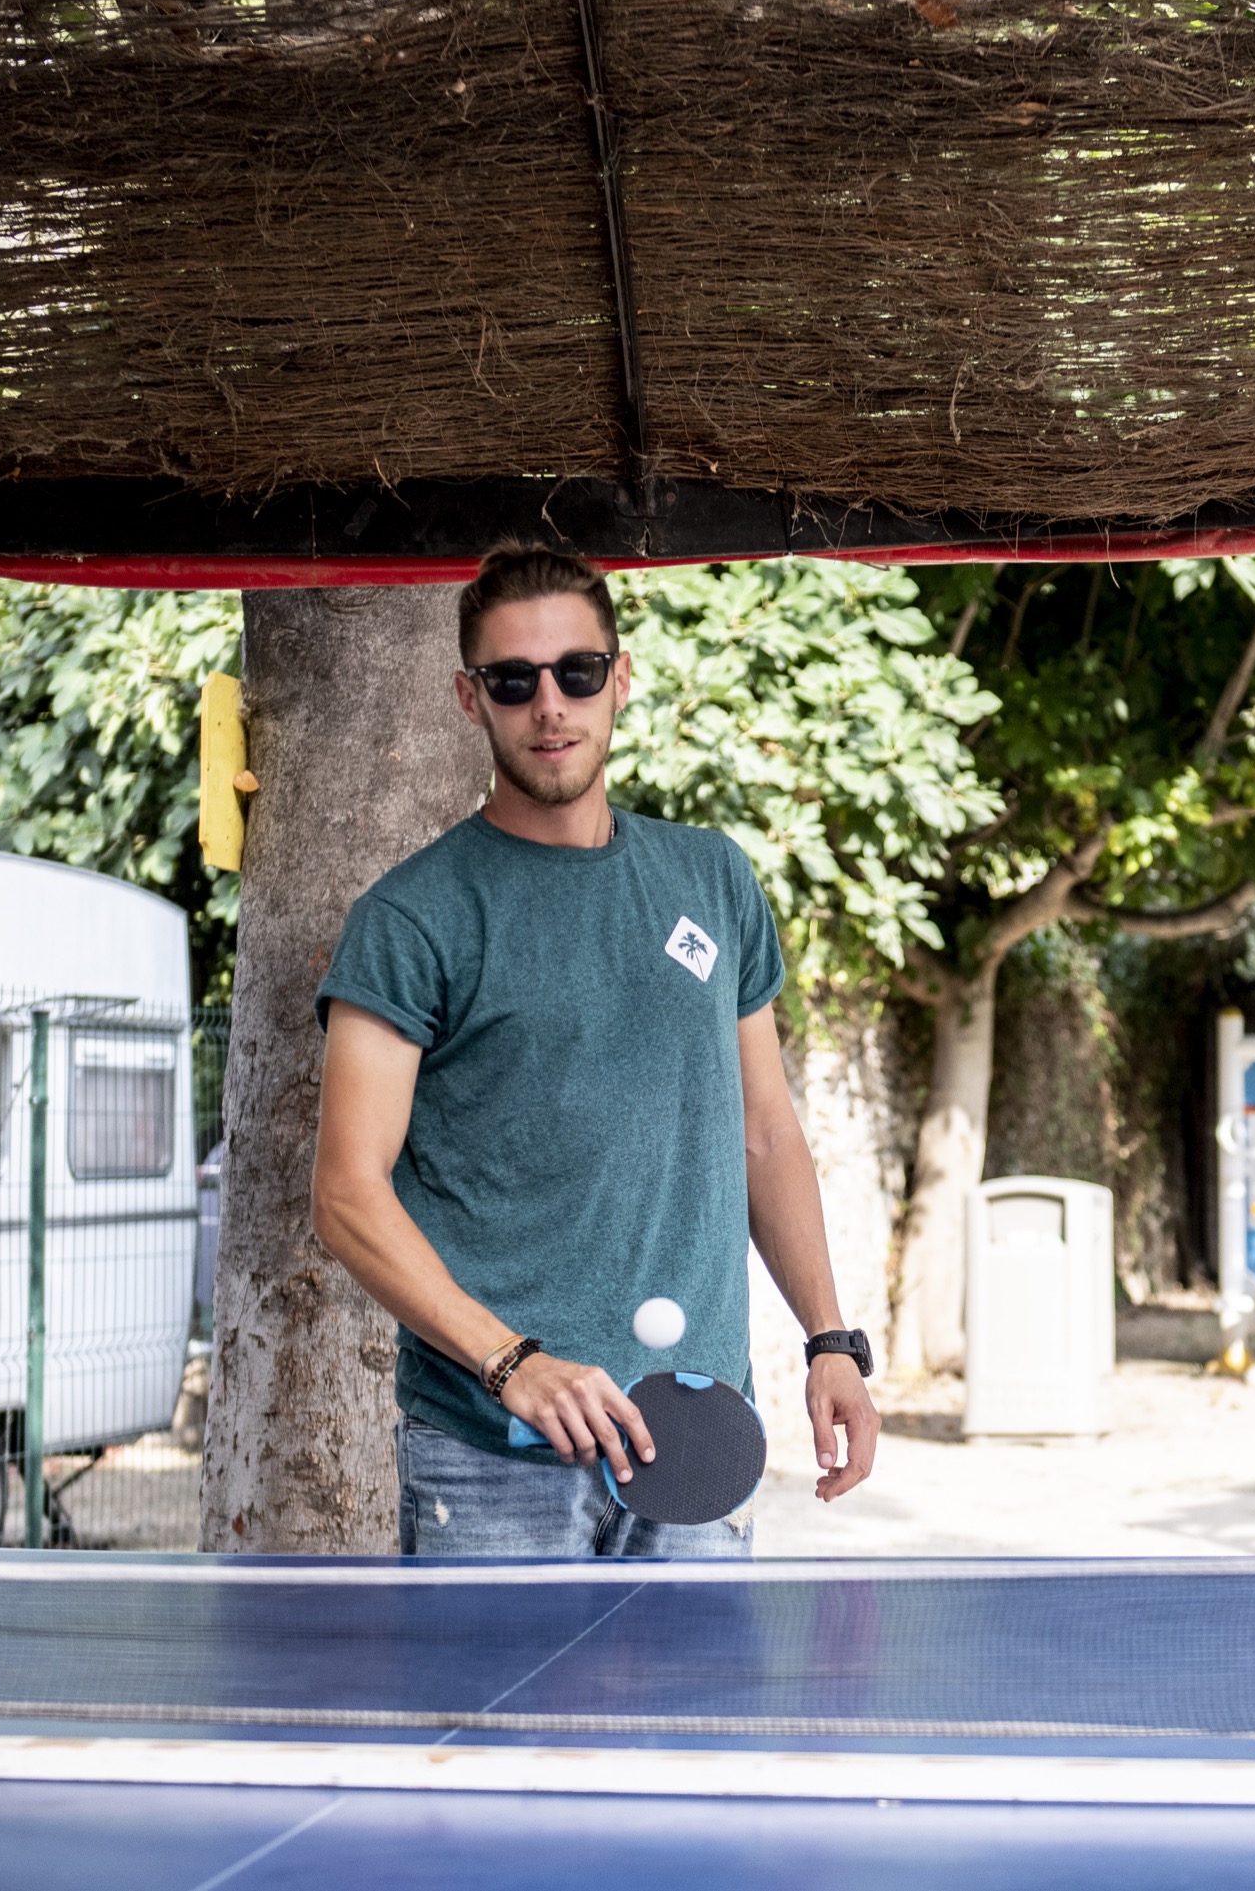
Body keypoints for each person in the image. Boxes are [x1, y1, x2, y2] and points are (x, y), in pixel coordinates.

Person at [312, 540, 882, 1556]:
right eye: (513, 680)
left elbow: (763, 1132)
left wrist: (829, 1339)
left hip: (694, 1439)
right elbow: (348, 1193)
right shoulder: (411, 919)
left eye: (576, 672)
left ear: (620, 678)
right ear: (469, 697)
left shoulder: (713, 879)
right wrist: (511, 1362)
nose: (550, 705)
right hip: (491, 1457)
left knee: (695, 1680)